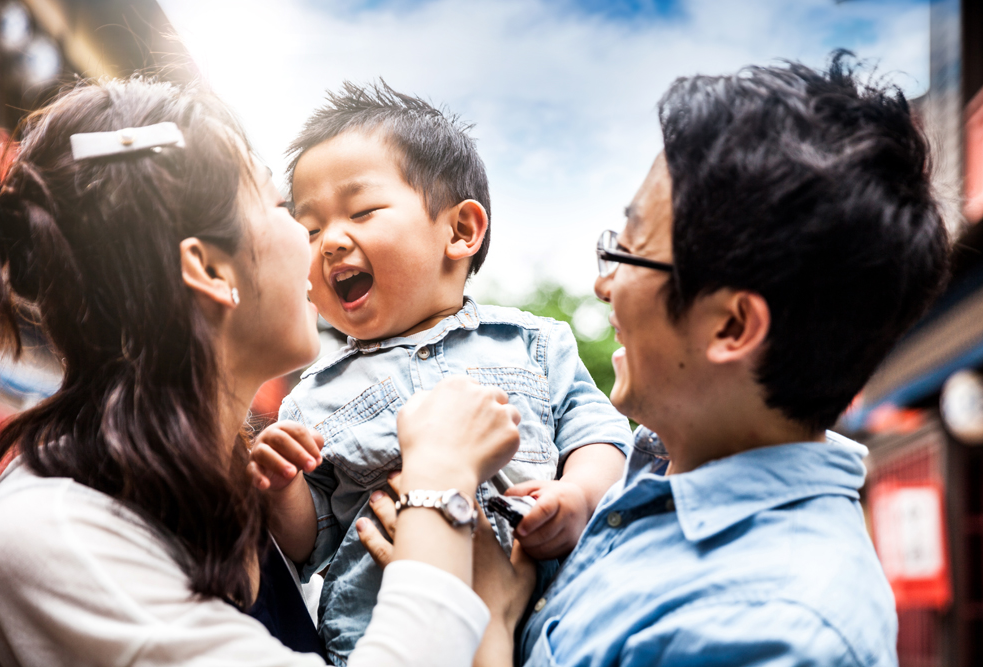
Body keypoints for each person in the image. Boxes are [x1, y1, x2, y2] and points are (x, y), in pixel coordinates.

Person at [367, 55, 950, 666]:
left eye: (632, 251)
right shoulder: (652, 480)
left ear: (731, 325)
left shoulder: (768, 625)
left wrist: (486, 620)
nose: (604, 284)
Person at [0, 77, 533, 666]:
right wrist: (441, 476)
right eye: (282, 209)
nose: (314, 241)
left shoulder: (237, 492)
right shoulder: (56, 534)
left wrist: (493, 618)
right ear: (211, 270)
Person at [246, 81, 632, 663]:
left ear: (460, 231)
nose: (329, 243)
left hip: (556, 614)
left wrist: (577, 495)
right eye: (310, 229)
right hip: (388, 630)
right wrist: (284, 489)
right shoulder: (312, 399)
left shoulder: (532, 343)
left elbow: (599, 435)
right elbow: (311, 544)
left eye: (362, 210)